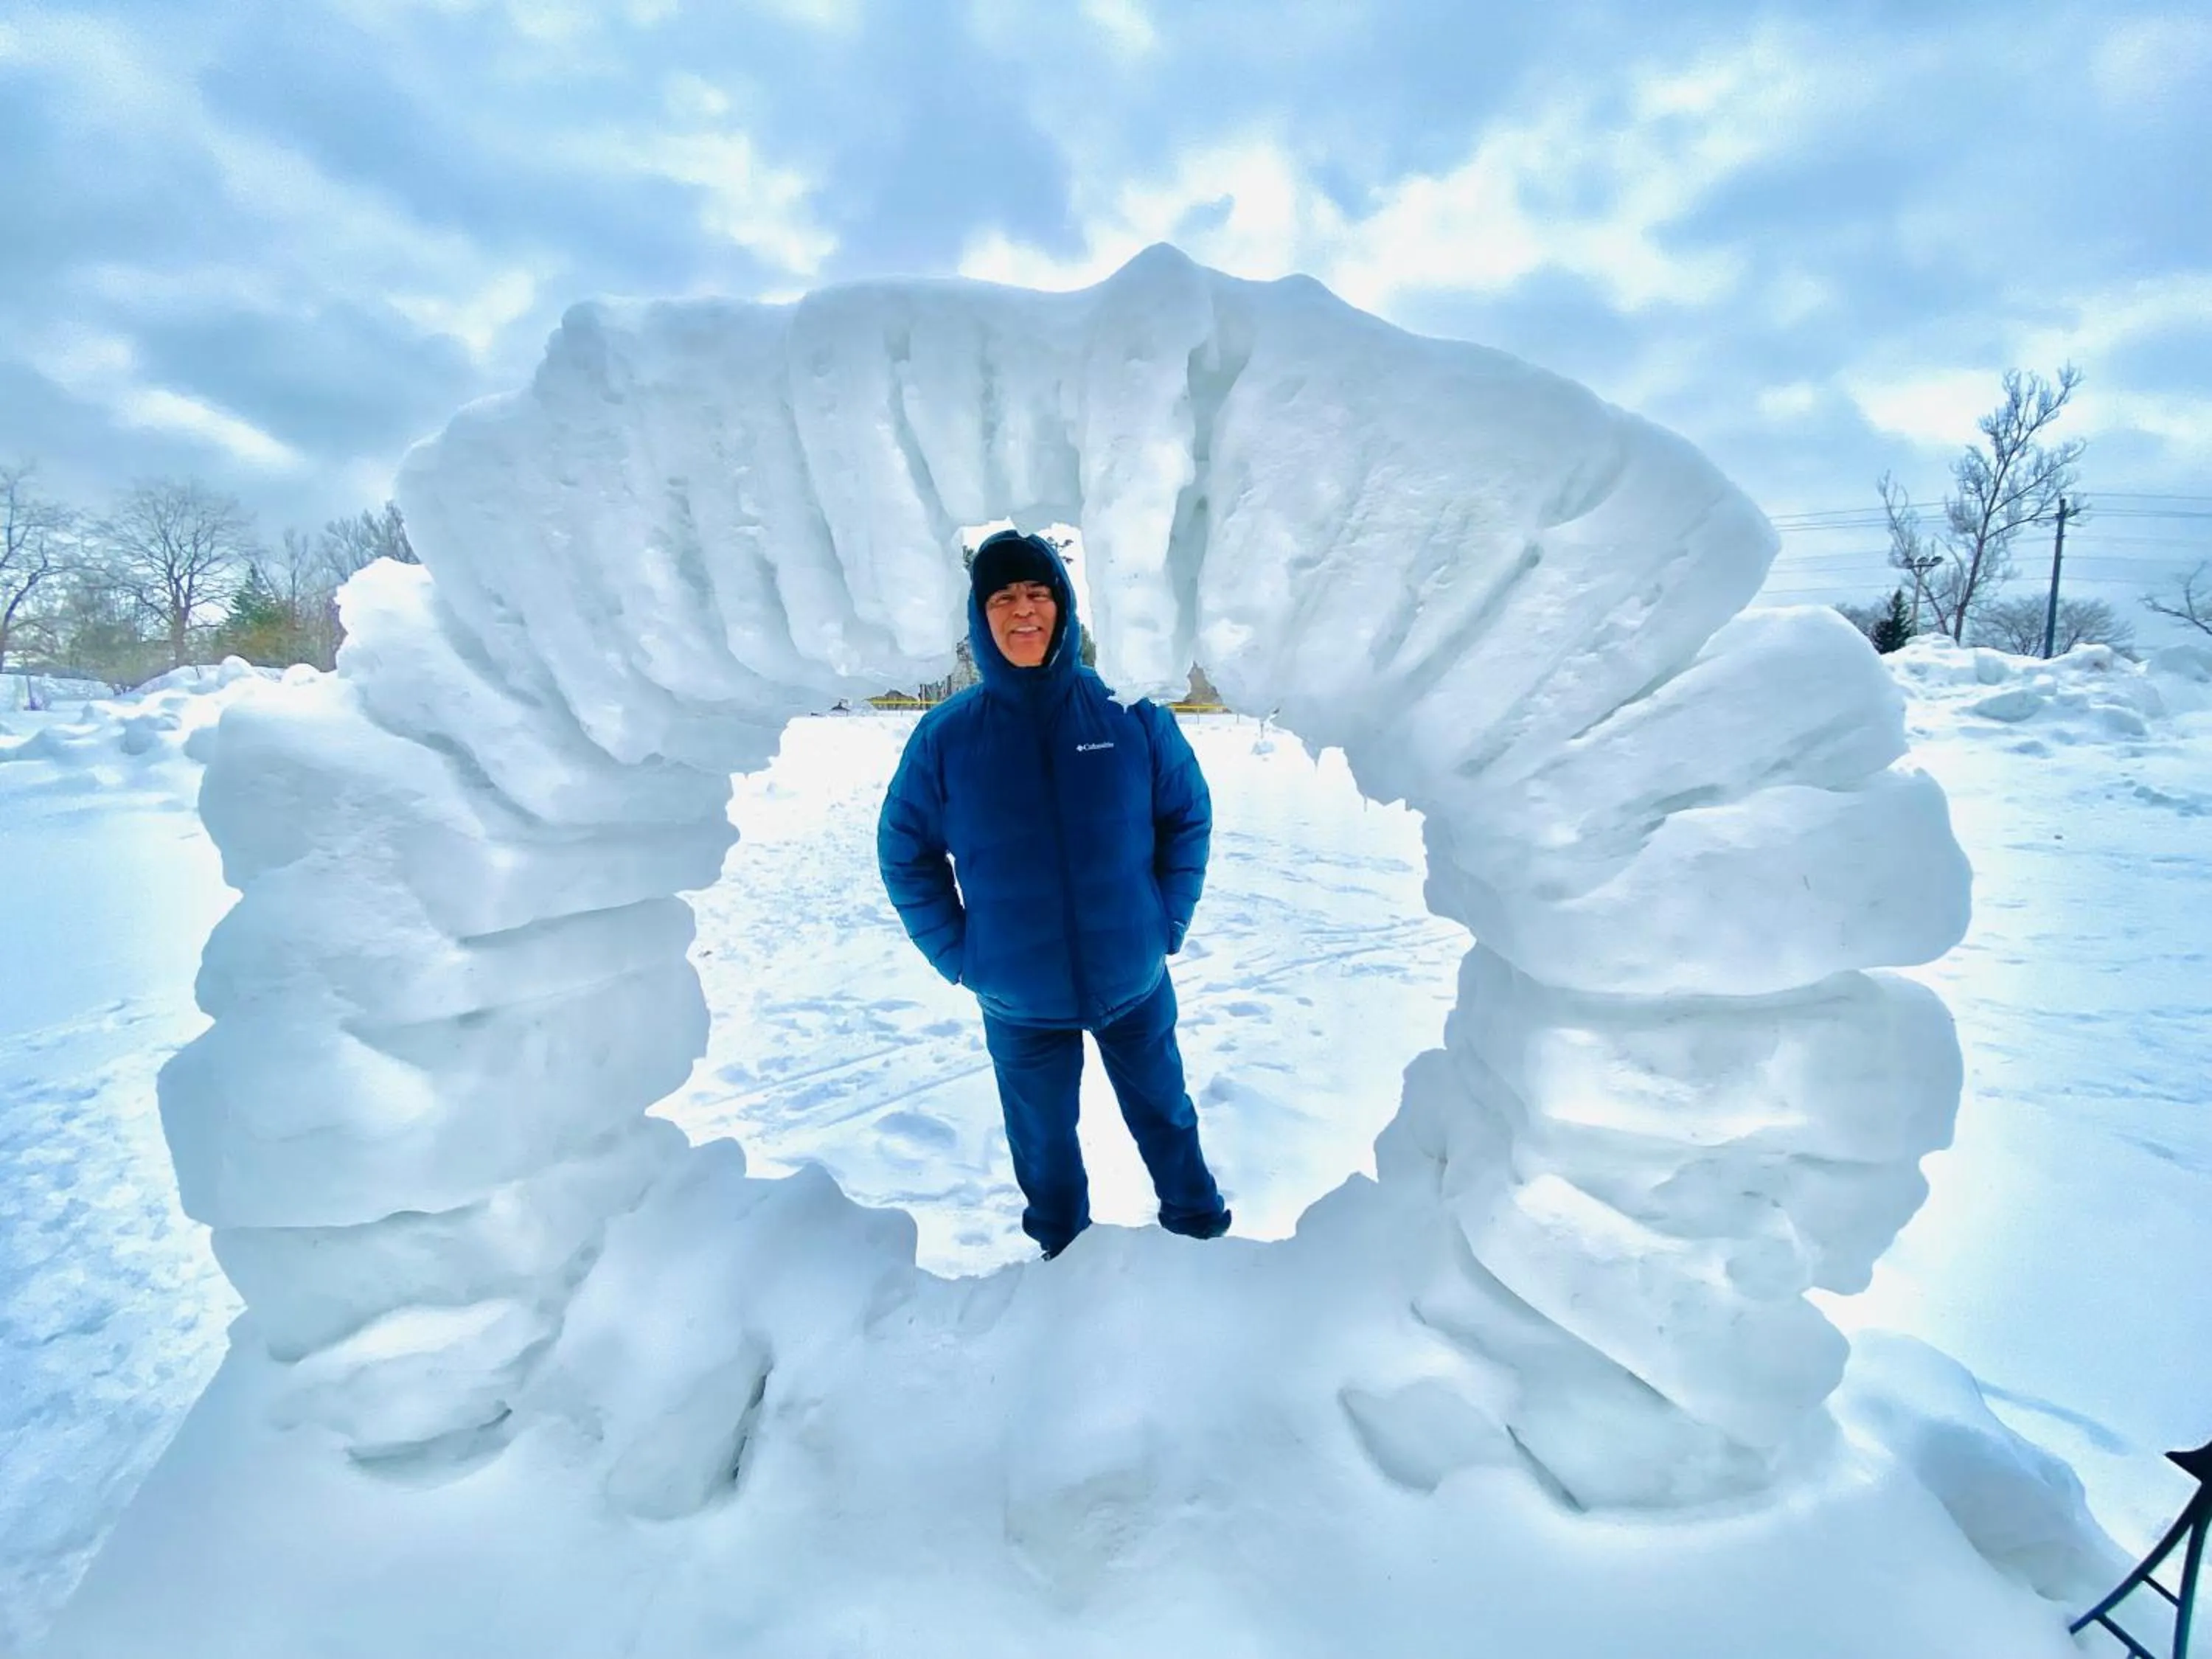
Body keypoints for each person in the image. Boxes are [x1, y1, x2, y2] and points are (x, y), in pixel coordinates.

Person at [877, 529, 1231, 1260]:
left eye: (1038, 592)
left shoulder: (1127, 712)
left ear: (1065, 606)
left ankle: (1201, 1235)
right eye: (1003, 597)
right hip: (1020, 1004)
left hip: (1134, 983)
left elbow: (1187, 813)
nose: (1023, 610)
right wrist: (965, 957)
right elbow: (903, 851)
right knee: (1042, 1145)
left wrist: (1164, 920)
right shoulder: (947, 739)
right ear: (981, 617)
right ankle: (1063, 1260)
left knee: (1167, 1116)